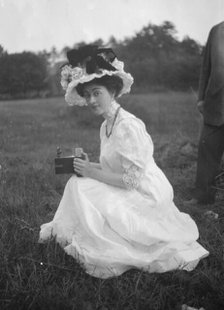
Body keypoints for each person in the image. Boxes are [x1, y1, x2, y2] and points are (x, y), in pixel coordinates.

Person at [39, 45, 208, 278]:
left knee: (81, 185)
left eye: (97, 93)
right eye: (87, 95)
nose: (91, 100)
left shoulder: (128, 126)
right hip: (127, 182)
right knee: (77, 182)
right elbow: (113, 168)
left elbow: (130, 180)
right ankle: (84, 232)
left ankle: (102, 238)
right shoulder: (106, 125)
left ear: (112, 91)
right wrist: (90, 166)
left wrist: (90, 171)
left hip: (146, 193)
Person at [193, 21, 224, 205]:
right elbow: (206, 67)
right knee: (207, 150)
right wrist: (201, 98)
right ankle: (203, 197)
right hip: (215, 104)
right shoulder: (217, 30)